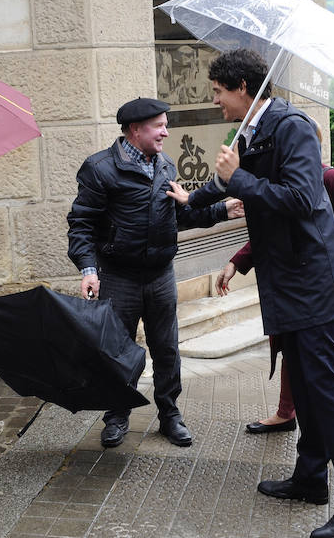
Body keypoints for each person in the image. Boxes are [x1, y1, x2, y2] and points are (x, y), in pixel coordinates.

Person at [166, 49, 334, 538]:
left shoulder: (293, 126)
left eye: (220, 92)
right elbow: (234, 185)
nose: (216, 102)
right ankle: (311, 477)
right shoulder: (252, 128)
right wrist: (190, 202)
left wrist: (236, 177)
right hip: (287, 281)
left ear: (243, 86)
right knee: (304, 385)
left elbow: (303, 198)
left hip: (313, 282)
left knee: (325, 388)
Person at [67, 97, 243, 449]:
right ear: (135, 129)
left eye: (165, 124)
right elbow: (81, 224)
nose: (166, 131)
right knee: (118, 349)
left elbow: (180, 216)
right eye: (159, 125)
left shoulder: (165, 165)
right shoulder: (99, 168)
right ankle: (117, 415)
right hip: (119, 277)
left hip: (161, 274)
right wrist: (88, 269)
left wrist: (222, 210)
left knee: (167, 349)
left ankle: (170, 414)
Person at [216, 162, 334, 435]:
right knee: (292, 350)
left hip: (331, 289)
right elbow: (271, 232)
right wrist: (237, 262)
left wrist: (320, 263)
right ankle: (286, 414)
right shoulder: (287, 184)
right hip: (297, 288)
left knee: (332, 359)